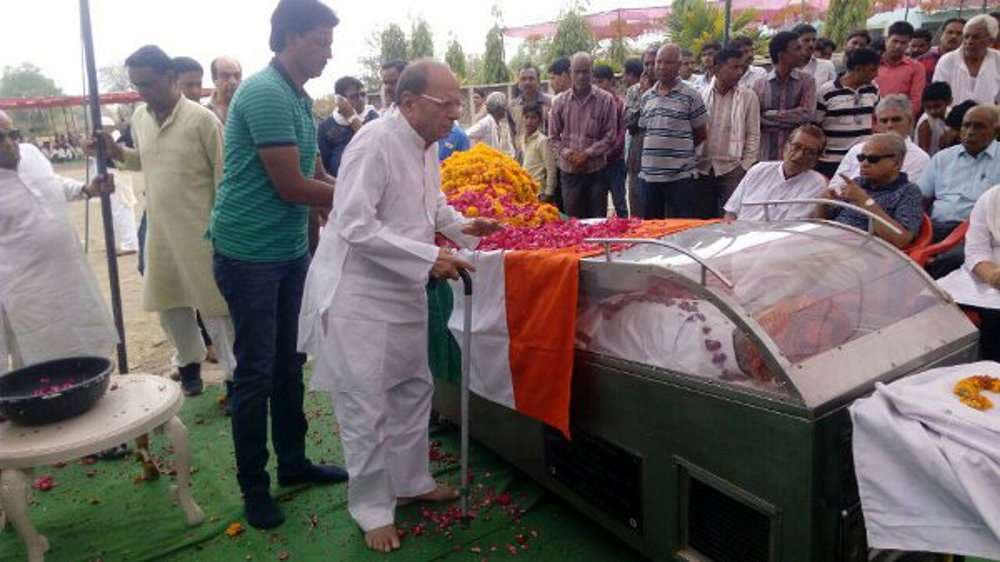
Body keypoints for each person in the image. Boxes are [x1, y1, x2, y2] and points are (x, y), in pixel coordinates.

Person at [298, 60, 502, 553]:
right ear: (409, 103)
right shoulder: (373, 142)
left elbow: (429, 206)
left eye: (458, 102)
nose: (456, 113)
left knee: (414, 388)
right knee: (365, 404)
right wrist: (431, 256)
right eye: (446, 103)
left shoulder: (427, 144)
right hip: (358, 294)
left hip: (403, 287)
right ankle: (370, 509)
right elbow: (355, 225)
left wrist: (460, 226)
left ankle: (411, 482)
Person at [209, 0, 346, 530]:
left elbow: (315, 172)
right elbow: (292, 187)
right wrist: (356, 201)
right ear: (289, 38)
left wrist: (355, 192)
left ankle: (293, 463)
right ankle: (254, 486)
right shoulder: (265, 92)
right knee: (257, 372)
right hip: (249, 255)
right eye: (320, 42)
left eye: (330, 43)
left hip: (288, 252)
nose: (328, 54)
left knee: (291, 361)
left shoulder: (298, 97)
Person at [91, 45, 234, 400]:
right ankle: (189, 366)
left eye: (149, 84)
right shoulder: (140, 117)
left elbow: (224, 178)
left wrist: (224, 230)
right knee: (170, 304)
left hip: (202, 232)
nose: (143, 92)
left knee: (216, 309)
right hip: (159, 231)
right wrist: (115, 152)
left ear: (171, 78)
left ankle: (235, 377)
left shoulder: (202, 121)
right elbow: (145, 161)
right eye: (137, 86)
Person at [0, 112, 117, 374]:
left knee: (85, 338)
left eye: (13, 135)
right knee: (40, 361)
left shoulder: (31, 153)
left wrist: (87, 190)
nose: (9, 143)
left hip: (71, 274)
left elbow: (53, 184)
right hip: (26, 291)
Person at [919, 105, 1000, 278]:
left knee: (954, 259)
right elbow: (920, 197)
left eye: (978, 126)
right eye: (966, 125)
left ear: (996, 130)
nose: (970, 132)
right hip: (935, 227)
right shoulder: (943, 157)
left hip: (976, 232)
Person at [638, 44, 709, 219]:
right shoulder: (647, 97)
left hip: (680, 177)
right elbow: (646, 129)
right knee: (651, 230)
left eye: (668, 62)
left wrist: (678, 154)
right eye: (658, 62)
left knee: (682, 229)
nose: (661, 67)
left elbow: (700, 134)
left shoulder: (692, 95)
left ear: (678, 65)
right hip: (650, 177)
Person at [819, 133, 923, 248]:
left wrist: (865, 201)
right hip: (830, 241)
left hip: (865, 252)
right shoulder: (858, 182)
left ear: (896, 163)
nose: (864, 164)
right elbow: (825, 221)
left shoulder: (909, 191)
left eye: (873, 159)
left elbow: (901, 240)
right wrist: (823, 203)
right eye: (861, 158)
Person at [549, 52, 617, 218]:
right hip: (569, 173)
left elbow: (610, 135)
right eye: (577, 71)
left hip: (596, 172)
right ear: (570, 72)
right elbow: (553, 137)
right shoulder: (559, 102)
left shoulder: (606, 100)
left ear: (591, 72)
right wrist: (569, 154)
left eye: (585, 71)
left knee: (597, 222)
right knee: (574, 223)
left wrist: (587, 154)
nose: (581, 76)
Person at [936, 184, 1000, 360]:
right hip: (984, 274)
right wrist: (992, 277)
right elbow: (976, 250)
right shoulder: (991, 197)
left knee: (994, 317)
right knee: (929, 301)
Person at [697, 46, 761, 216]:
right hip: (703, 167)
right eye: (734, 67)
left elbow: (753, 134)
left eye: (742, 67)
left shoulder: (748, 97)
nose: (740, 72)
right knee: (704, 221)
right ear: (717, 68)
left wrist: (745, 166)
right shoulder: (700, 95)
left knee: (731, 221)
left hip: (732, 169)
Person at [723, 124, 828, 221]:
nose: (800, 155)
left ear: (816, 159)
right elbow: (731, 212)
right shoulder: (759, 170)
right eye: (796, 147)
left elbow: (792, 227)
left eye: (809, 152)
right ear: (786, 146)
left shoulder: (816, 183)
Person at [831, 95, 930, 191]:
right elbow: (834, 187)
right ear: (876, 124)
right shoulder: (857, 149)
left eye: (896, 120)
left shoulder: (920, 158)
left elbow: (907, 196)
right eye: (884, 121)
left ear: (910, 122)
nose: (890, 125)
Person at [814, 47, 881, 178]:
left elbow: (876, 119)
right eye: (873, 69)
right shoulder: (826, 92)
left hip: (861, 160)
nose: (876, 74)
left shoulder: (874, 89)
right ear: (858, 69)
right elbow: (816, 125)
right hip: (831, 161)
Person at [754, 31, 816, 161]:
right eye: (797, 48)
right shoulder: (760, 84)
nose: (802, 52)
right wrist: (791, 117)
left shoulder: (807, 81)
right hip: (766, 155)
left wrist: (769, 115)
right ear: (782, 55)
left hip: (796, 157)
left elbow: (807, 115)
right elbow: (755, 119)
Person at [932, 15, 1000, 107]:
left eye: (976, 37)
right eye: (966, 36)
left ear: (990, 41)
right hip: (951, 118)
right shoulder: (947, 61)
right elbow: (938, 98)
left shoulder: (997, 60)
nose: (969, 42)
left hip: (990, 118)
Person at [317, 75, 378, 177]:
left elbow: (373, 146)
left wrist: (351, 117)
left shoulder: (372, 117)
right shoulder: (326, 126)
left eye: (362, 94)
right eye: (354, 96)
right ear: (340, 100)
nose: (361, 99)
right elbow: (324, 162)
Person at [624, 45, 658, 218]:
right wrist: (645, 95)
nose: (650, 68)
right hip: (638, 157)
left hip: (663, 162)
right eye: (647, 64)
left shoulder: (674, 90)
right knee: (637, 212)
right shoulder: (633, 91)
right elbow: (629, 124)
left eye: (654, 63)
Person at [593, 63, 627, 217]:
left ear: (611, 81)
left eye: (600, 81)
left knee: (619, 202)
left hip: (615, 162)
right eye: (595, 82)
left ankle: (627, 235)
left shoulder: (619, 104)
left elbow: (621, 135)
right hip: (597, 163)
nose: (597, 85)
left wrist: (607, 154)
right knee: (598, 203)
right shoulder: (594, 104)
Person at [875, 21, 926, 116]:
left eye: (903, 43)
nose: (898, 46)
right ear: (886, 40)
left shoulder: (916, 68)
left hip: (902, 122)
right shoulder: (872, 64)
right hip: (870, 122)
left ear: (908, 44)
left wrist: (899, 120)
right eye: (895, 41)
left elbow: (916, 101)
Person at [520, 103, 557, 203]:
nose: (529, 121)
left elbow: (551, 169)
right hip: (527, 189)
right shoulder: (522, 139)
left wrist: (548, 193)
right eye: (526, 117)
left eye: (533, 118)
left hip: (540, 192)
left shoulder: (542, 141)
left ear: (539, 121)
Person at [509, 63, 552, 143]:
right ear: (518, 83)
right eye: (523, 79)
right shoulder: (512, 107)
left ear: (538, 81)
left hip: (545, 153)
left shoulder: (550, 103)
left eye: (531, 78)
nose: (527, 82)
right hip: (522, 154)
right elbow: (513, 134)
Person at [466, 91, 516, 158]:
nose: (505, 109)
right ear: (498, 108)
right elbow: (467, 134)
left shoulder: (502, 125)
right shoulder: (485, 123)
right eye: (504, 107)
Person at [793, 24, 837, 89]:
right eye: (806, 40)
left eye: (814, 40)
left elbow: (836, 92)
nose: (811, 44)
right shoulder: (787, 68)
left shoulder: (827, 66)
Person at [916, 82, 953, 156]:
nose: (932, 111)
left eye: (937, 106)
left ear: (949, 102)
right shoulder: (925, 123)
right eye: (928, 107)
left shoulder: (953, 115)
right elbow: (924, 153)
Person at [207, 56, 243, 124]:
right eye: (226, 76)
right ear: (214, 79)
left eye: (237, 75)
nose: (233, 81)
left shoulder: (249, 107)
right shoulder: (203, 109)